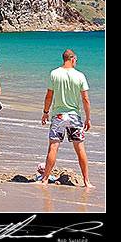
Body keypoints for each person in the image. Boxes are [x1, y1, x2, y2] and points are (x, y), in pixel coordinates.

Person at [38, 49, 95, 188]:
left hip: (58, 116)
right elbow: (85, 99)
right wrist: (88, 118)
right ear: (73, 59)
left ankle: (45, 179)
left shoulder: (54, 73)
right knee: (80, 149)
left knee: (53, 147)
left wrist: (45, 112)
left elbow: (49, 96)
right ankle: (86, 181)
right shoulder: (80, 76)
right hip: (74, 117)